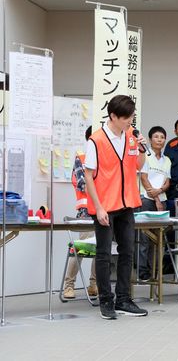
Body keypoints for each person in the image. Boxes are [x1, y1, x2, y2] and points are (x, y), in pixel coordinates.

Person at [85, 95, 148, 319]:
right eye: (126, 118)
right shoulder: (96, 140)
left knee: (127, 252)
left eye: (131, 118)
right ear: (113, 116)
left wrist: (141, 149)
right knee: (103, 254)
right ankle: (106, 301)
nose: (130, 122)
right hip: (105, 205)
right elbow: (88, 176)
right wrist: (99, 207)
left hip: (127, 202)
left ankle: (123, 299)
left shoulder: (131, 137)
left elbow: (138, 166)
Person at [63, 126, 98, 300]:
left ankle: (94, 285)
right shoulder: (82, 158)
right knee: (82, 249)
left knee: (102, 250)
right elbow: (83, 184)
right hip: (86, 211)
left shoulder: (107, 158)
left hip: (105, 210)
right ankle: (69, 285)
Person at [138, 126, 171, 281]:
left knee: (157, 238)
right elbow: (144, 178)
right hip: (146, 200)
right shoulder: (145, 155)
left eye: (162, 137)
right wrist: (156, 197)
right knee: (144, 237)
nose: (159, 139)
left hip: (161, 200)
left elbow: (167, 181)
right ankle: (142, 271)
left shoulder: (167, 160)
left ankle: (155, 270)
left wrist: (160, 192)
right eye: (156, 137)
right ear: (150, 139)